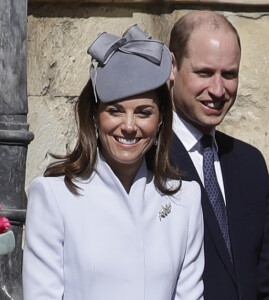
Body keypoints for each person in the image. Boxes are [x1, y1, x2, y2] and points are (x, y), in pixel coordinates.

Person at [22, 25, 204, 300]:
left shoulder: (185, 200)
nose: (129, 126)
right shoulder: (54, 197)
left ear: (161, 120)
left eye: (143, 113)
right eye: (115, 111)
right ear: (94, 116)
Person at [168, 10, 269, 300]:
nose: (218, 89)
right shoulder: (145, 159)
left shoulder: (250, 164)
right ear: (172, 67)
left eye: (229, 74)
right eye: (205, 73)